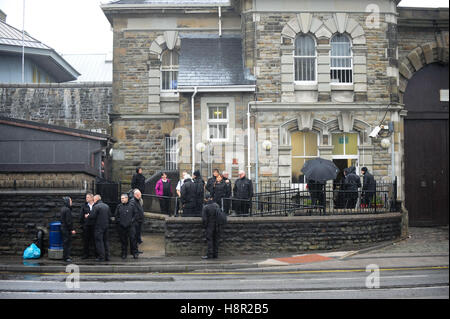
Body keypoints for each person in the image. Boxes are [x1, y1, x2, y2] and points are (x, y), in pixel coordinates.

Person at [88, 194, 111, 262]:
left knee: (99, 242)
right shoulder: (106, 206)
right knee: (106, 241)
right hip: (106, 226)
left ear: (96, 199)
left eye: (94, 199)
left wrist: (88, 216)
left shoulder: (96, 206)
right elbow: (109, 216)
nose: (93, 200)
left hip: (98, 227)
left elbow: (92, 216)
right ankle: (107, 256)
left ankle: (101, 257)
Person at [115, 193, 138, 259]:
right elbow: (116, 216)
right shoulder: (119, 206)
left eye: (123, 198)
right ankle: (124, 253)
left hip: (130, 226)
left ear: (127, 198)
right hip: (122, 227)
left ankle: (135, 253)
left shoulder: (132, 205)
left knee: (133, 240)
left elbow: (135, 214)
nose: (121, 200)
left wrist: (132, 221)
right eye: (121, 198)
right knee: (123, 241)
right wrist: (120, 222)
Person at [201, 193, 222, 259]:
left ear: (205, 199)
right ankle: (215, 254)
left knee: (210, 240)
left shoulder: (205, 207)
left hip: (210, 226)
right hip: (217, 225)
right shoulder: (217, 205)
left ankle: (210, 255)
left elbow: (204, 219)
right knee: (216, 240)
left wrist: (205, 226)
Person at [79, 193, 96, 259]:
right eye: (86, 197)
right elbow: (81, 216)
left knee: (95, 240)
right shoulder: (84, 206)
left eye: (88, 197)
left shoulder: (96, 205)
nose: (86, 198)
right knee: (86, 241)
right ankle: (86, 255)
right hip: (86, 226)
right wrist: (83, 222)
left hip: (94, 226)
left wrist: (89, 215)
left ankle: (96, 254)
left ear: (92, 198)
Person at [60, 196, 76, 262]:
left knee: (65, 243)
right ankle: (66, 257)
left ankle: (65, 256)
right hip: (66, 229)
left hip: (63, 228)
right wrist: (71, 229)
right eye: (70, 201)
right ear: (67, 202)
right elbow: (68, 221)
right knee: (67, 243)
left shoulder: (63, 209)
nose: (71, 202)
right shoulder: (67, 210)